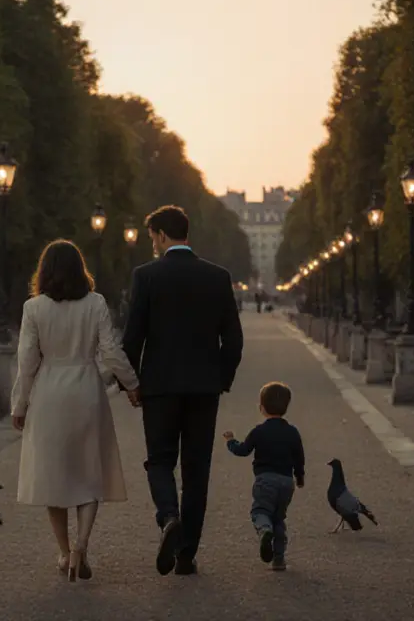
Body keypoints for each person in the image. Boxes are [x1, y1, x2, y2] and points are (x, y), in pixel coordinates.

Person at [11, 239, 143, 583]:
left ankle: (64, 550)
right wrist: (131, 384)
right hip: (86, 389)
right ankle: (83, 545)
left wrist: (19, 405)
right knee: (88, 473)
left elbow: (26, 363)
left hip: (49, 393)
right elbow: (111, 352)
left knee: (53, 478)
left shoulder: (34, 308)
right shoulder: (95, 303)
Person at [123, 205, 244, 576]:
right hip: (203, 389)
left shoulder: (146, 276)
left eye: (152, 239)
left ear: (160, 235)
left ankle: (168, 517)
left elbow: (132, 338)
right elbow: (234, 341)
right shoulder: (217, 277)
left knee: (159, 460)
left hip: (159, 387)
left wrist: (131, 383)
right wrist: (219, 380)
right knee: (196, 470)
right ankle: (186, 554)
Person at [222, 382, 305, 571]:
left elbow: (242, 450)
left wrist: (230, 441)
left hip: (265, 480)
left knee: (260, 512)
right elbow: (299, 457)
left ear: (261, 407)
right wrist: (299, 477)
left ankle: (264, 530)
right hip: (286, 483)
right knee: (279, 518)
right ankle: (279, 559)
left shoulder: (259, 431)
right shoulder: (292, 432)